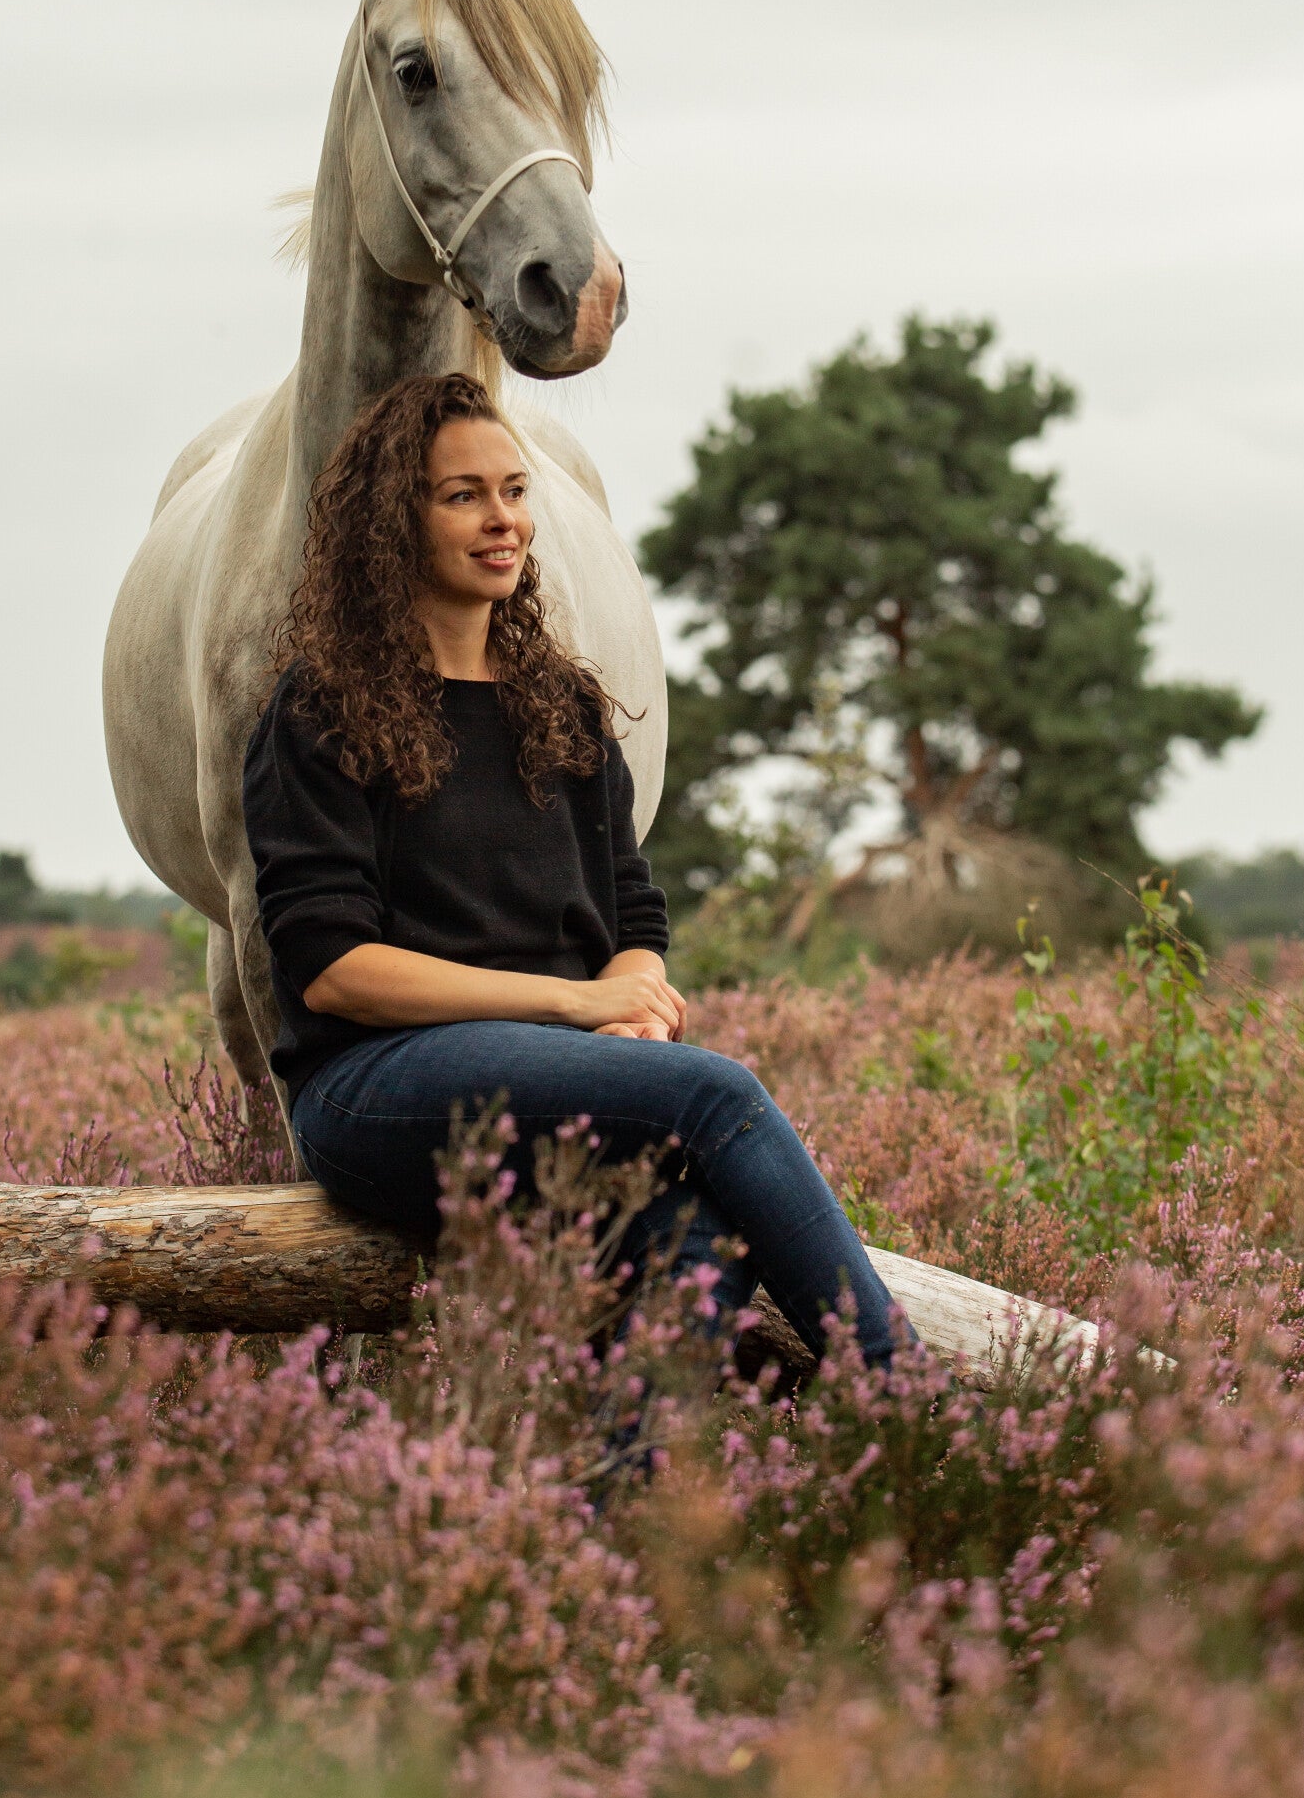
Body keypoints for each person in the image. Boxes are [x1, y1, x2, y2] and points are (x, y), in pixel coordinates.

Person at [242, 370, 903, 1376]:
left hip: (549, 1084)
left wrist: (636, 1001)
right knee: (714, 1098)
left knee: (688, 1235)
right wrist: (578, 1008)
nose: (502, 519)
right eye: (462, 495)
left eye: (512, 490)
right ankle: (914, 1402)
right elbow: (334, 969)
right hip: (375, 1093)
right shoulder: (322, 710)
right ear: (391, 522)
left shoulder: (560, 705)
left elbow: (634, 906)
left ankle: (615, 1501)